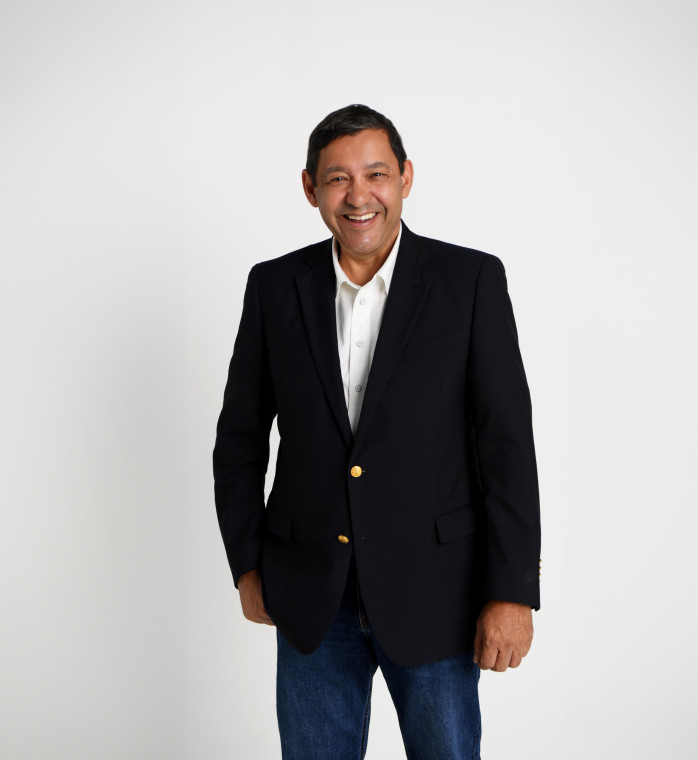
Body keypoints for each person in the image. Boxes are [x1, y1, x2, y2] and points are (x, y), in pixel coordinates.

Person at [213, 104, 541, 760]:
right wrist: (247, 563)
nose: (358, 195)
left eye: (376, 174)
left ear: (406, 177)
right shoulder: (275, 287)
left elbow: (506, 445)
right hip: (312, 596)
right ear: (310, 188)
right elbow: (240, 438)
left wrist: (511, 592)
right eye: (337, 178)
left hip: (437, 591)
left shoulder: (469, 281)